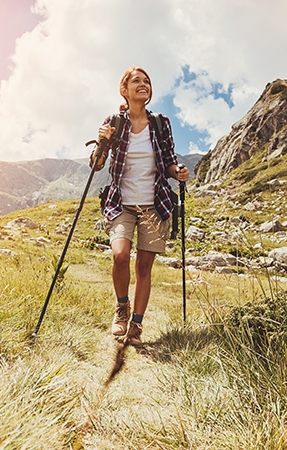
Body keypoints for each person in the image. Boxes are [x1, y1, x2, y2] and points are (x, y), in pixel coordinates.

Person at [92, 66, 189, 345]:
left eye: (146, 81)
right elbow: (96, 164)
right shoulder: (115, 122)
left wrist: (178, 171)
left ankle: (136, 325)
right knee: (120, 255)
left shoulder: (161, 123)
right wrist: (102, 141)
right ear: (125, 90)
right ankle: (121, 308)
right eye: (136, 81)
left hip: (154, 203)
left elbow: (169, 160)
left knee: (144, 267)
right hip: (121, 202)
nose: (143, 84)